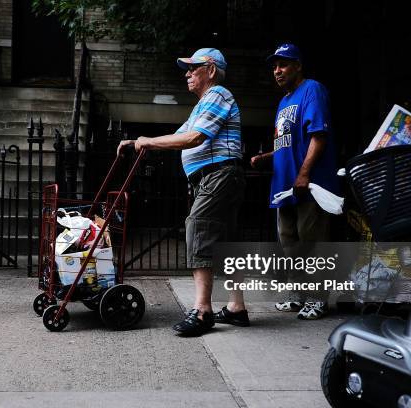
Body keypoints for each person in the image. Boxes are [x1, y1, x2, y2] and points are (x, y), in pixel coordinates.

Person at [118, 48, 248, 335]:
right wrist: (135, 141)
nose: (187, 74)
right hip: (217, 177)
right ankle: (237, 308)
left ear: (210, 70)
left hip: (219, 174)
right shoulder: (202, 105)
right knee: (226, 242)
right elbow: (178, 136)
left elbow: (194, 138)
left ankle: (203, 311)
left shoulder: (217, 94)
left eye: (193, 68)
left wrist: (148, 142)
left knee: (197, 225)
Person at [250, 43, 338, 320]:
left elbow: (318, 135)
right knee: (290, 244)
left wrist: (304, 173)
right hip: (283, 186)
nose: (277, 70)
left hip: (309, 185)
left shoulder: (312, 89)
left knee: (313, 244)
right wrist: (267, 155)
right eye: (275, 66)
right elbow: (289, 142)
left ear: (298, 65)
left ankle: (318, 299)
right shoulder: (284, 101)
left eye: (284, 64)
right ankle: (298, 295)